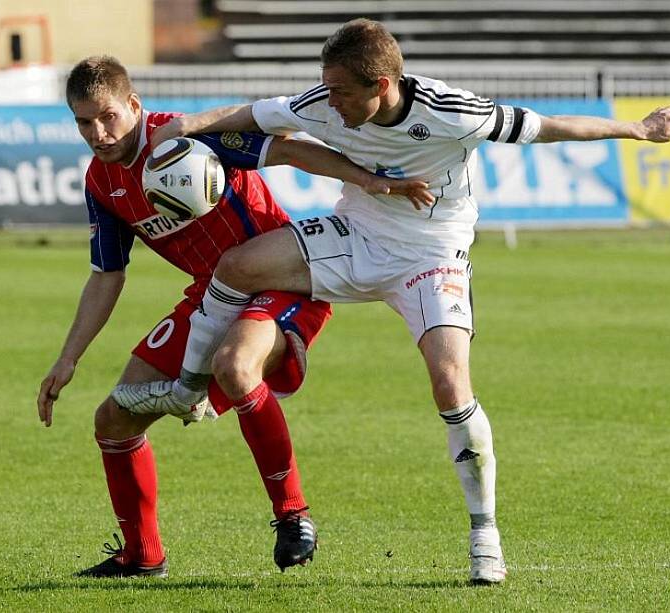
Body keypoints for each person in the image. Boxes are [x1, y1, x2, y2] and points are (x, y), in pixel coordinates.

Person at [112, 19, 670, 584]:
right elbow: (249, 113)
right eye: (327, 86)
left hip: (430, 254)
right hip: (356, 234)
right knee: (236, 266)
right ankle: (189, 389)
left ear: (380, 86)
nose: (328, 101)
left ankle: (484, 534)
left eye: (340, 90)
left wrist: (638, 130)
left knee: (450, 382)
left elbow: (548, 126)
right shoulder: (323, 101)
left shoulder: (453, 112)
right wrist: (185, 124)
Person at [36, 54, 431, 578]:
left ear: (134, 104)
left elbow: (286, 148)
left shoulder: (184, 142)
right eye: (85, 122)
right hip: (209, 294)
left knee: (236, 366)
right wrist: (68, 359)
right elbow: (107, 274)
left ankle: (293, 516)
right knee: (113, 418)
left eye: (108, 116)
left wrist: (368, 180)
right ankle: (142, 555)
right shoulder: (100, 182)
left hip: (285, 278)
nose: (99, 133)